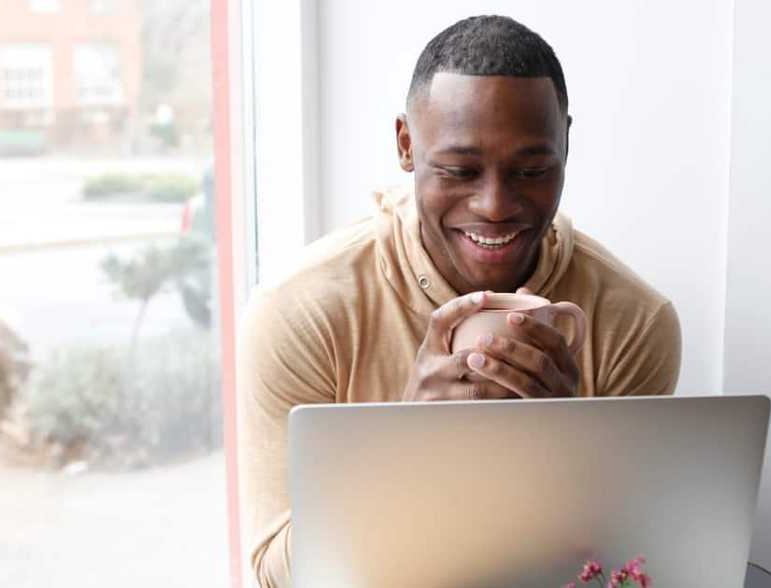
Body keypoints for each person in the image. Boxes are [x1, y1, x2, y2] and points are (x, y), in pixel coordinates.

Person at [237, 15, 682, 587]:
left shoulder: (632, 322)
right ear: (406, 144)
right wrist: (407, 446)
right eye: (459, 170)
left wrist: (572, 443)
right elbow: (278, 576)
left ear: (566, 143)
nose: (496, 205)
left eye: (532, 170)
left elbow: (629, 565)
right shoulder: (302, 313)